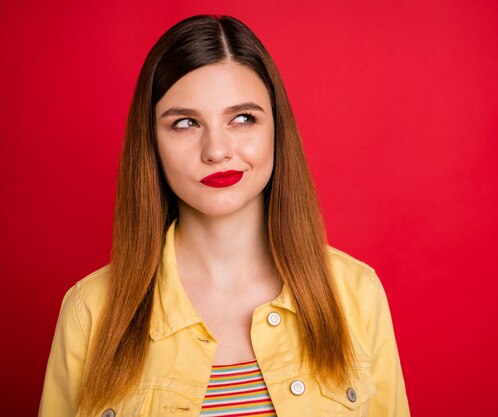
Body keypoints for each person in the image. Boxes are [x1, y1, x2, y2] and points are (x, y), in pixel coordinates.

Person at [39, 15, 410, 417]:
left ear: (276, 129)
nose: (216, 150)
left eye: (243, 118)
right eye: (185, 123)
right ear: (152, 144)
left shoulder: (356, 294)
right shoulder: (89, 311)